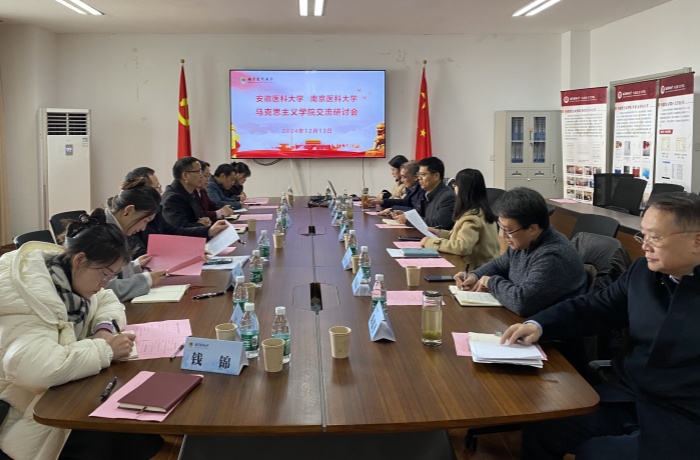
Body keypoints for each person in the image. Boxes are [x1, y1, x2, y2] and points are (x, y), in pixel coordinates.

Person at [501, 192, 700, 460]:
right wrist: (539, 324)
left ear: (697, 240)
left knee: (596, 453)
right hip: (628, 397)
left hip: (684, 417)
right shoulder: (643, 272)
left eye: (655, 237)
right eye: (643, 236)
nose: (645, 246)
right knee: (544, 422)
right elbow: (595, 307)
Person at [0, 216, 163, 459]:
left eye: (111, 277)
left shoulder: (65, 273)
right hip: (20, 407)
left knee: (131, 422)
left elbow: (107, 300)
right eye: (104, 275)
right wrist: (105, 350)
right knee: (111, 423)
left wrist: (104, 329)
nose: (105, 284)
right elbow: (37, 371)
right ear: (79, 260)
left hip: (57, 390)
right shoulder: (27, 297)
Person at [454, 187, 586, 316]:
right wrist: (475, 276)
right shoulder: (524, 242)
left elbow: (522, 303)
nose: (504, 236)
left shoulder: (553, 256)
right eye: (501, 228)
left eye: (508, 230)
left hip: (550, 326)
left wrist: (491, 282)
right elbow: (499, 265)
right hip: (523, 319)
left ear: (532, 229)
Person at [124, 167, 227, 258]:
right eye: (157, 187)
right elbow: (140, 255)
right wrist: (186, 252)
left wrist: (208, 231)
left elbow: (173, 231)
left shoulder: (155, 211)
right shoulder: (131, 217)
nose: (161, 191)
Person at [100, 180, 168, 302]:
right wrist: (147, 279)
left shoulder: (114, 228)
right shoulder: (101, 235)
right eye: (145, 221)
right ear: (129, 210)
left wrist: (135, 265)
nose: (143, 228)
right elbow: (106, 289)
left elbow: (113, 273)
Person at [420, 168, 499, 269]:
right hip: (483, 267)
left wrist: (431, 242)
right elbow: (461, 236)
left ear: (462, 189)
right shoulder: (479, 210)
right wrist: (439, 233)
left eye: (455, 185)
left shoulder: (472, 217)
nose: (454, 188)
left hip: (477, 270)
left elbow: (462, 247)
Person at [394, 156, 455, 230]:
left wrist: (409, 220)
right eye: (419, 174)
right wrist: (405, 214)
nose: (419, 178)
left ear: (436, 176)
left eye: (423, 175)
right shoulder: (428, 193)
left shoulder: (448, 197)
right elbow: (419, 213)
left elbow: (437, 224)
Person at [161, 157, 210, 228]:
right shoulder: (172, 199)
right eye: (198, 171)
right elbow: (179, 229)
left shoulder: (190, 192)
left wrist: (205, 220)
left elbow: (199, 217)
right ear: (185, 175)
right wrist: (201, 224)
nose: (202, 176)